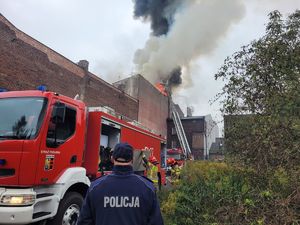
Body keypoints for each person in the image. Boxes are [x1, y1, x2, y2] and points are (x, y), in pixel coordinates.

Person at [77, 142, 164, 225]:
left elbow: (84, 221)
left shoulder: (95, 187)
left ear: (112, 158)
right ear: (132, 160)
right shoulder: (147, 188)